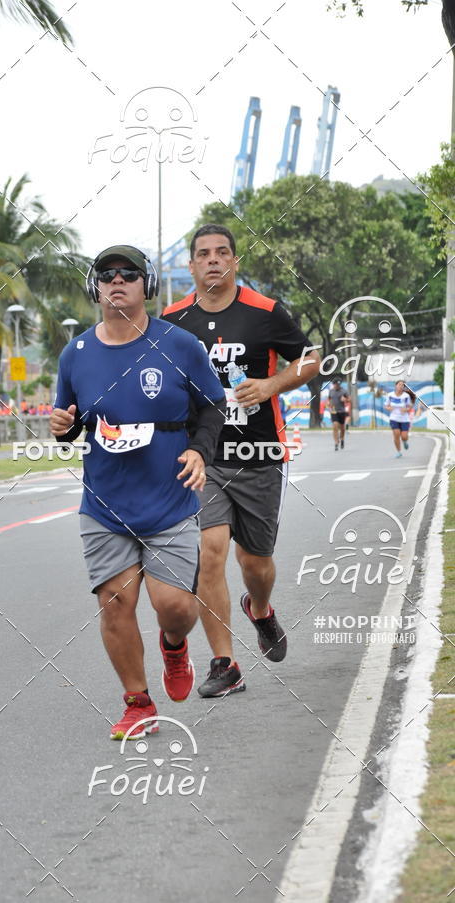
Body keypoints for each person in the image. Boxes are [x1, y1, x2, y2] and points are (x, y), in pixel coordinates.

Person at [50, 245, 226, 739]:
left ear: (146, 285)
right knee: (114, 602)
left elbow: (213, 408)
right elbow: (69, 425)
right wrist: (61, 426)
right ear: (96, 288)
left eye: (129, 274)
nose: (118, 281)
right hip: (105, 503)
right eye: (108, 275)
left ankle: (175, 645)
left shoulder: (179, 344)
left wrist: (199, 452)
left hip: (169, 499)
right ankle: (137, 702)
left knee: (174, 607)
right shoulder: (76, 354)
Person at [162, 224, 321, 698]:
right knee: (209, 552)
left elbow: (312, 359)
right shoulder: (171, 321)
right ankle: (225, 663)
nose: (213, 260)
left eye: (222, 253)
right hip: (202, 457)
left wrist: (271, 385)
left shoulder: (266, 312)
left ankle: (262, 608)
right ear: (190, 266)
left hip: (259, 453)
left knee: (257, 563)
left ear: (235, 262)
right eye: (203, 254)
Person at [385, 379, 412, 457]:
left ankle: (405, 441)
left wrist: (406, 409)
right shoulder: (390, 395)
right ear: (396, 386)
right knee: (396, 434)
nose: (401, 386)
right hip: (394, 418)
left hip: (404, 419)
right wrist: (389, 408)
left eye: (403, 385)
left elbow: (409, 407)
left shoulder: (406, 396)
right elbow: (386, 405)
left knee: (404, 436)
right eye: (399, 384)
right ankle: (398, 452)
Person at [328, 378, 349, 451]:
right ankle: (336, 442)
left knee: (342, 428)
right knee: (335, 426)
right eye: (336, 384)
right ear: (334, 384)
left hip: (342, 411)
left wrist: (345, 399)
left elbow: (349, 399)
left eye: (339, 384)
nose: (337, 386)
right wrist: (329, 405)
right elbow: (330, 400)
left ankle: (342, 439)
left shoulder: (344, 391)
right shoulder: (331, 391)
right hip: (334, 411)